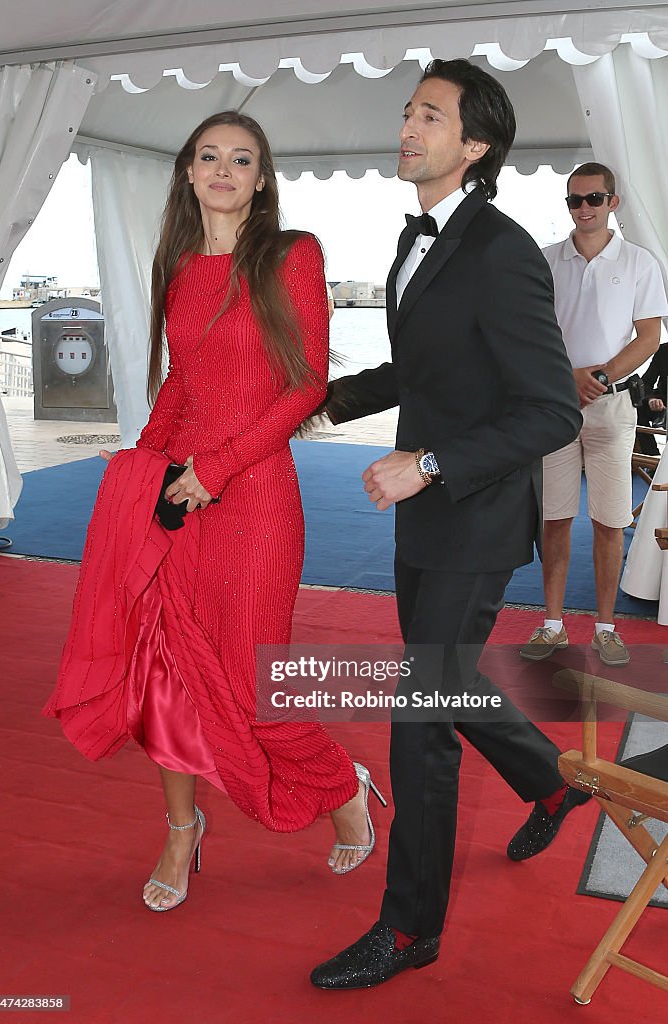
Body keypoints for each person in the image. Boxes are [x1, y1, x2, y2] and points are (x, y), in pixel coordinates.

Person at [43, 110, 384, 912]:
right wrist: (142, 462)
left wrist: (217, 469)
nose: (224, 170)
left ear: (261, 179)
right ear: (188, 173)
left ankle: (344, 791)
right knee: (167, 673)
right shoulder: (179, 265)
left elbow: (302, 385)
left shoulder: (292, 255)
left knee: (251, 686)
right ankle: (181, 829)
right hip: (180, 497)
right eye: (208, 156)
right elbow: (183, 387)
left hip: (256, 496)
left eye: (242, 159)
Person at [309, 59, 584, 991]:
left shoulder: (501, 249)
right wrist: (324, 399)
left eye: (428, 115)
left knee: (417, 715)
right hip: (422, 515)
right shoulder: (417, 243)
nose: (406, 126)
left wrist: (426, 463)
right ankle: (552, 781)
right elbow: (421, 371)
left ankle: (408, 927)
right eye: (407, 111)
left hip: (470, 512)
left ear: (475, 145)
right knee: (448, 685)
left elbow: (552, 411)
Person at [520, 163, 668, 668]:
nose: (584, 208)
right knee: (554, 520)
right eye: (574, 200)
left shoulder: (640, 262)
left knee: (608, 521)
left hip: (613, 406)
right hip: (554, 406)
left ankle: (605, 627)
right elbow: (528, 336)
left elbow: (649, 336)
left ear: (613, 203)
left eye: (594, 198)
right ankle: (553, 623)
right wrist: (566, 379)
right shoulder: (543, 261)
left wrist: (600, 377)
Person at [636, 344, 668, 458]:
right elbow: (646, 383)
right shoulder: (664, 350)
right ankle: (652, 456)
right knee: (637, 406)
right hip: (664, 401)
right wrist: (651, 399)